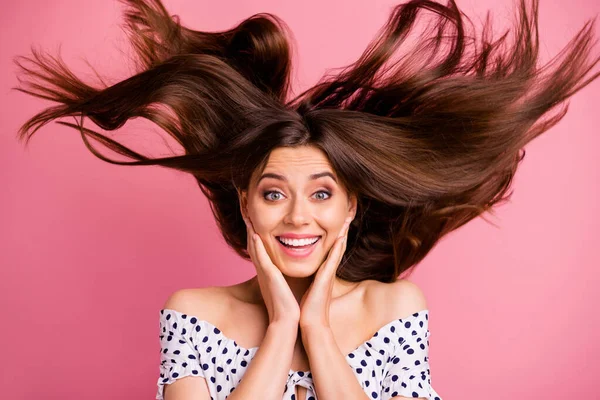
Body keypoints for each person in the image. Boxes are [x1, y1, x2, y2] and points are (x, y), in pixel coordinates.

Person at [12, 0, 599, 399]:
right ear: (245, 204)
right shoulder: (193, 313)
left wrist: (315, 328)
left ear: (350, 207)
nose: (298, 216)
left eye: (321, 193)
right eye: (274, 193)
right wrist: (281, 326)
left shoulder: (390, 310)